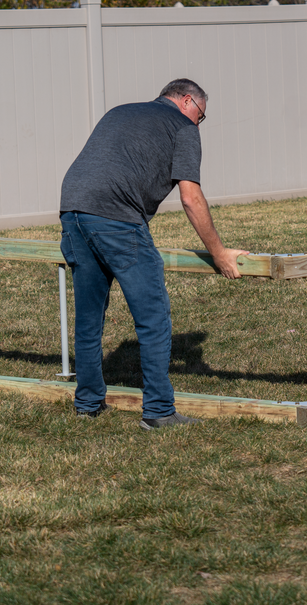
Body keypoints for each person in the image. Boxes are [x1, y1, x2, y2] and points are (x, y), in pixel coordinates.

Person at [59, 79, 248, 429]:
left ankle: (87, 403)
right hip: (116, 217)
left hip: (72, 210)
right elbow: (190, 197)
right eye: (201, 115)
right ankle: (159, 411)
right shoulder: (182, 126)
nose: (199, 122)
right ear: (188, 100)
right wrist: (219, 253)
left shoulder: (120, 112)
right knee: (153, 316)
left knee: (88, 317)